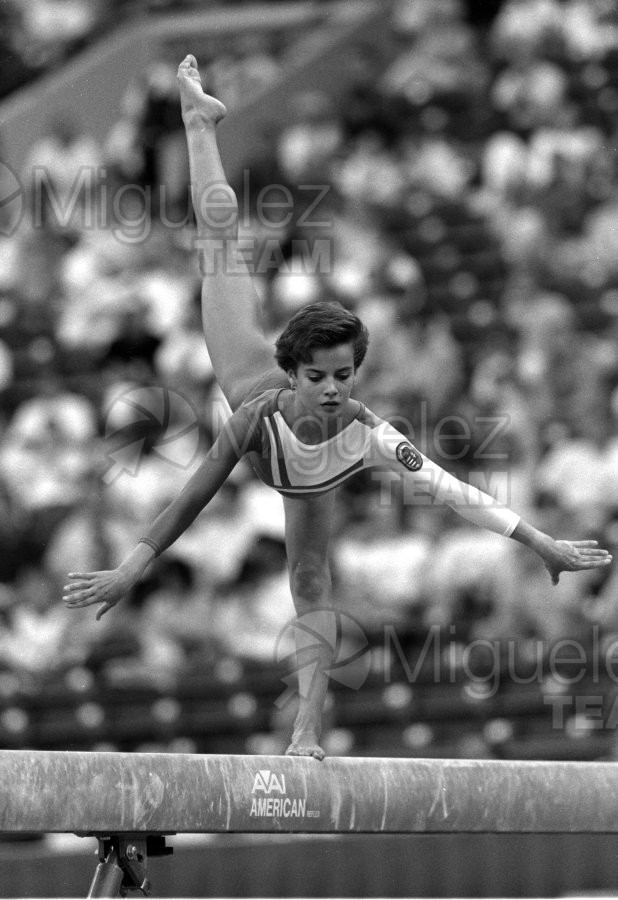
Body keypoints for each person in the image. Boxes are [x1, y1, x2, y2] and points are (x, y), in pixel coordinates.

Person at [64, 56, 613, 760]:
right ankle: (199, 121)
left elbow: (454, 493)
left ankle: (305, 734)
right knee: (219, 247)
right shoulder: (254, 414)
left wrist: (538, 541)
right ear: (292, 374)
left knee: (311, 586)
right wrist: (133, 565)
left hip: (310, 485)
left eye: (344, 376)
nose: (333, 389)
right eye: (319, 376)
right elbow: (193, 496)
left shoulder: (365, 429)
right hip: (249, 389)